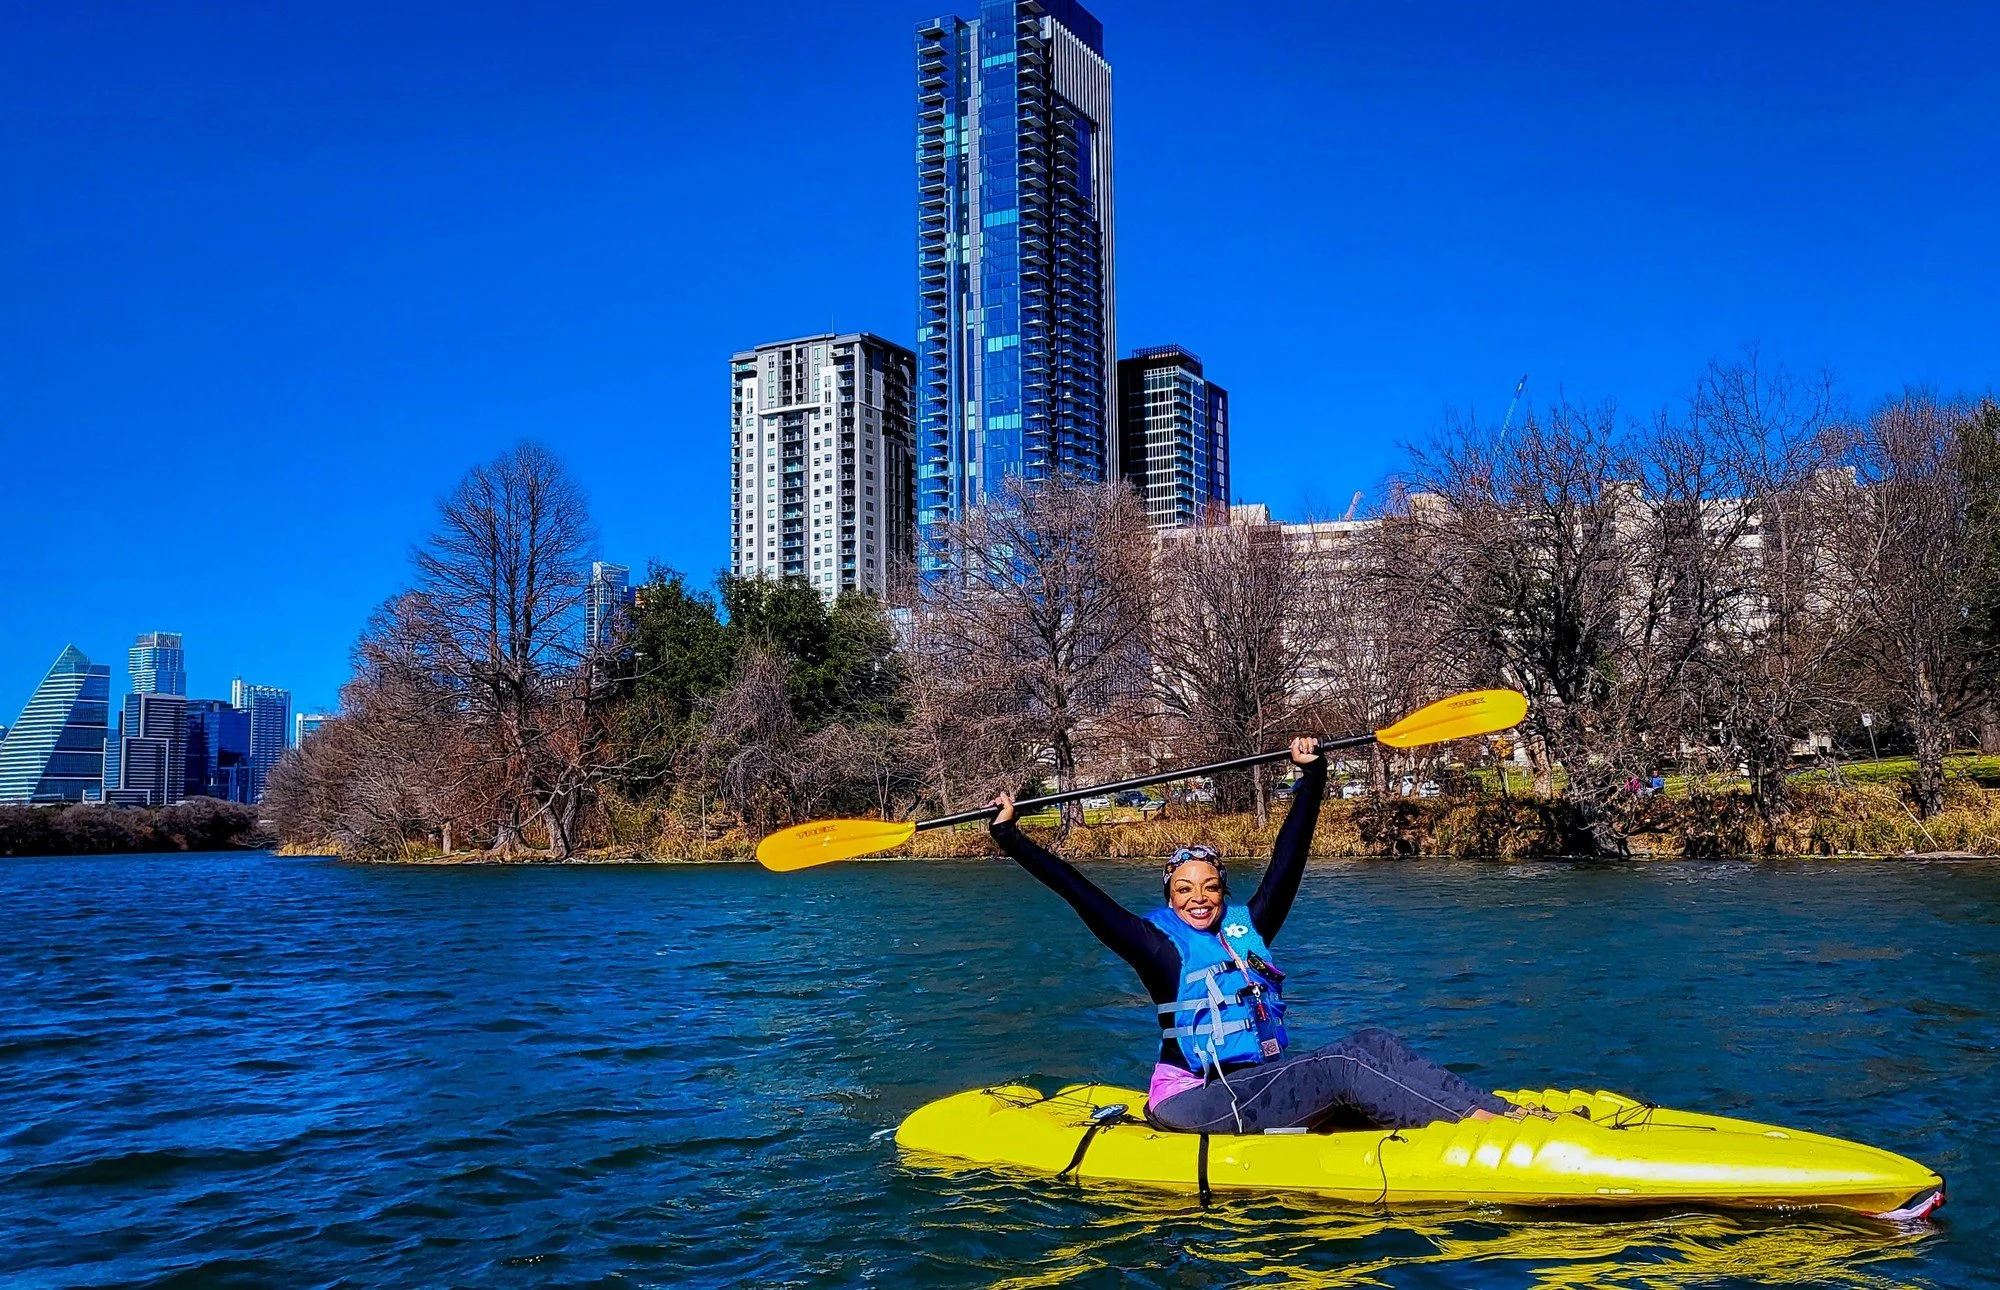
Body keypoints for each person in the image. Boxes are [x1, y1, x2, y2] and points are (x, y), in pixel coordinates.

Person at [986, 737, 1515, 1135]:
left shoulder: (1247, 929)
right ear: (1170, 896)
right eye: (1186, 889)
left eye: (1211, 887)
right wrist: (1011, 836)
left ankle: (1509, 1114)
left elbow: (1289, 862)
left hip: (1253, 1082)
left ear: (1224, 891)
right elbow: (1078, 891)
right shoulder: (1154, 945)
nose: (1200, 898)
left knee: (1372, 1041)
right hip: (1194, 1098)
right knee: (1341, 1066)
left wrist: (1313, 778)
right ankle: (1478, 1129)